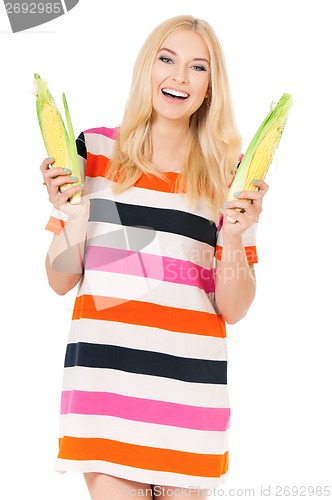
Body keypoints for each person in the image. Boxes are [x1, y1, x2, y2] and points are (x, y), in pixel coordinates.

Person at [40, 14, 268, 500]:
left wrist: (233, 235)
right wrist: (72, 214)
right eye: (167, 59)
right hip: (106, 391)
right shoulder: (94, 151)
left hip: (191, 395)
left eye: (197, 67)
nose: (179, 77)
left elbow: (235, 307)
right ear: (147, 67)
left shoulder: (230, 175)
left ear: (210, 88)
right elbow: (60, 280)